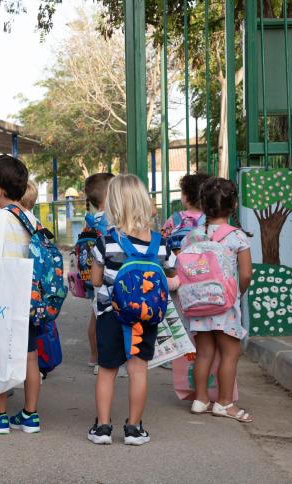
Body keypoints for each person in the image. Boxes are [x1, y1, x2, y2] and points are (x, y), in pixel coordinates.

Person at [87, 174, 175, 446]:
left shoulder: (107, 240)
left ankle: (102, 427)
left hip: (111, 315)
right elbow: (170, 271)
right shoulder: (160, 243)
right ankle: (134, 428)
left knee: (107, 370)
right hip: (144, 318)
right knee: (138, 371)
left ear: (113, 204)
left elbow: (96, 280)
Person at [0, 154, 42, 434]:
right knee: (29, 357)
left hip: (3, 296)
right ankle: (30, 415)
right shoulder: (29, 216)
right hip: (29, 297)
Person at [185, 177, 253, 423]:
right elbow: (245, 274)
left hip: (198, 303)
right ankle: (224, 403)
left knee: (204, 353)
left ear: (203, 205)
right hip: (225, 305)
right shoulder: (237, 237)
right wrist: (237, 293)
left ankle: (200, 399)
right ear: (233, 205)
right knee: (230, 352)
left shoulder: (192, 236)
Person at [82, 173, 114, 376]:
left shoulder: (91, 220)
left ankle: (94, 356)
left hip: (94, 275)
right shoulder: (112, 220)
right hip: (109, 277)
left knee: (95, 317)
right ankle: (103, 359)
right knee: (106, 321)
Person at [161, 173, 210, 252]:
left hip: (177, 261)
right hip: (203, 262)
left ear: (185, 197)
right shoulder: (209, 219)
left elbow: (163, 236)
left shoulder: (175, 218)